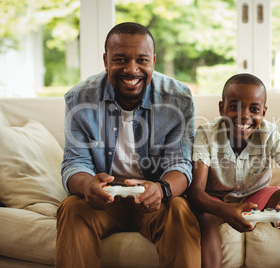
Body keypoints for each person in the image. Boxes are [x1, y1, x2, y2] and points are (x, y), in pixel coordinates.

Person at [56, 22, 201, 268]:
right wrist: (87, 184)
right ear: (106, 61)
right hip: (105, 201)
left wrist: (162, 189)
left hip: (155, 200)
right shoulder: (79, 98)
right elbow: (74, 162)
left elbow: (181, 163)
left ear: (153, 61)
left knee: (178, 207)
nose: (131, 70)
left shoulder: (178, 99)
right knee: (72, 207)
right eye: (120, 59)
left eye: (142, 61)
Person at [188, 73, 280, 268]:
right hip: (217, 199)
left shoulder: (268, 133)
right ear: (221, 108)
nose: (245, 115)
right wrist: (225, 209)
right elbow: (196, 192)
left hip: (257, 194)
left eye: (254, 109)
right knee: (204, 218)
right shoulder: (206, 134)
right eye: (234, 107)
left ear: (263, 112)